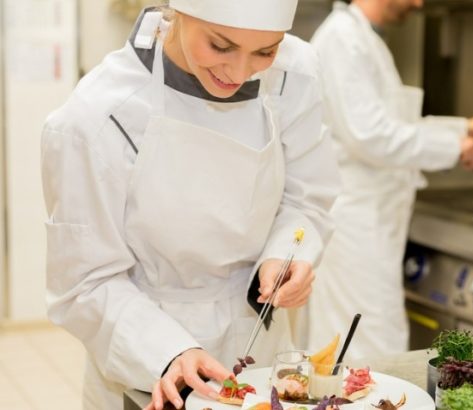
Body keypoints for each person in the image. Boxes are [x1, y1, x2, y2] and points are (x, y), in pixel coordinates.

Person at [40, 1, 339, 409]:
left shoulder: (294, 73)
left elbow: (307, 197)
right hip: (144, 356)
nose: (237, 72)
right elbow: (85, 282)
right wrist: (169, 352)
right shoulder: (96, 117)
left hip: (263, 348)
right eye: (220, 46)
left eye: (264, 52)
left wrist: (288, 254)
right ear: (178, 11)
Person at [305, 0, 473, 359]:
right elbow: (371, 136)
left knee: (371, 340)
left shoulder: (365, 39)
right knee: (369, 346)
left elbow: (390, 123)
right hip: (355, 224)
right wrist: (453, 146)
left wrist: (463, 129)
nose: (418, 3)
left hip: (376, 223)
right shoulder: (342, 40)